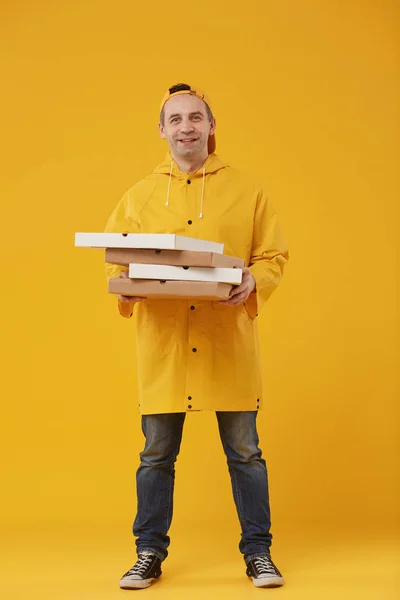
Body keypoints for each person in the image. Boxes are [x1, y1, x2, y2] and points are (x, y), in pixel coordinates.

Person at [104, 83, 289, 590]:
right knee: (156, 454)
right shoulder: (139, 194)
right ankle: (148, 552)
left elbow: (272, 257)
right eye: (176, 119)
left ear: (211, 126)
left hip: (227, 340)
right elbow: (115, 259)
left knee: (245, 452)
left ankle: (259, 553)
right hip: (164, 345)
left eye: (196, 118)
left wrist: (255, 280)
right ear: (162, 130)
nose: (186, 127)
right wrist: (128, 289)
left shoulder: (248, 190)